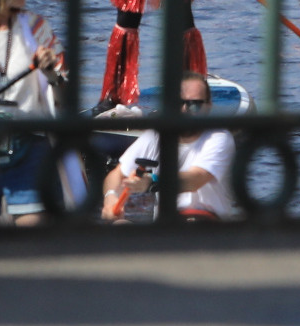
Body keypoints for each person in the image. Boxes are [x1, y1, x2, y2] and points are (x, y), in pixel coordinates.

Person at [0, 0, 74, 227]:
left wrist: (52, 75)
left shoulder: (37, 28)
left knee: (32, 239)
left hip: (28, 143)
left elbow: (66, 94)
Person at [102, 72, 238, 222]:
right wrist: (110, 198)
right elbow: (116, 174)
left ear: (208, 107)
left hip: (206, 224)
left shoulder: (219, 138)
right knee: (120, 225)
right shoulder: (155, 137)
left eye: (195, 105)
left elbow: (195, 179)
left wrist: (152, 181)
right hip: (166, 227)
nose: (185, 110)